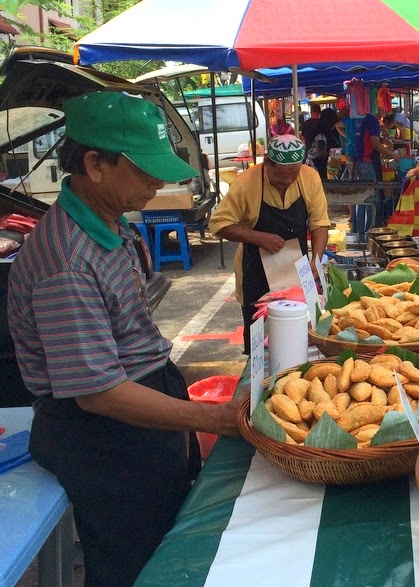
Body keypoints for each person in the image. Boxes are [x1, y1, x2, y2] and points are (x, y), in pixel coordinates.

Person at [6, 91, 244, 587]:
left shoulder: (109, 220)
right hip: (102, 438)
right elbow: (99, 393)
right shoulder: (64, 263)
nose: (158, 183)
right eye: (144, 171)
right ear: (95, 164)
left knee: (171, 543)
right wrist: (214, 419)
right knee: (134, 567)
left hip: (144, 412)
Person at [209, 134, 330, 354]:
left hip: (297, 270)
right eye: (281, 176)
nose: (287, 181)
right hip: (256, 271)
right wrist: (258, 237)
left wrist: (317, 258)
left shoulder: (309, 178)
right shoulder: (246, 183)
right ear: (267, 163)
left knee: (301, 335)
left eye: (293, 175)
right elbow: (218, 224)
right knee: (258, 340)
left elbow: (320, 222)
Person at [352, 112, 399, 234]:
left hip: (358, 161)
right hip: (367, 162)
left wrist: (382, 139)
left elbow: (370, 139)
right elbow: (375, 144)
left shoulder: (363, 119)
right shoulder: (372, 120)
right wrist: (393, 155)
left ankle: (359, 233)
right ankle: (369, 234)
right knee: (371, 200)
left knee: (360, 199)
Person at [305, 107, 339, 177]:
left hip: (312, 162)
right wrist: (334, 152)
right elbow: (321, 153)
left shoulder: (316, 128)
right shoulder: (322, 136)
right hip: (316, 164)